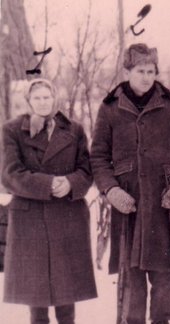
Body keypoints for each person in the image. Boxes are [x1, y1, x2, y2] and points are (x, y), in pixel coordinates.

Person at [90, 43, 170, 324]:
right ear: (128, 72)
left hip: (164, 204)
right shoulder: (110, 108)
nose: (146, 77)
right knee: (131, 278)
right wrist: (111, 190)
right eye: (140, 71)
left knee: (165, 275)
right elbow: (98, 156)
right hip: (129, 204)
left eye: (151, 71)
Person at [2, 78, 97, 324]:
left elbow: (87, 169)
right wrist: (48, 184)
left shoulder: (74, 130)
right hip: (30, 217)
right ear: (28, 101)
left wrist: (70, 183)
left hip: (67, 214)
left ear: (54, 98)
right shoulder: (12, 130)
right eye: (37, 98)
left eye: (47, 97)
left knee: (67, 291)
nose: (43, 102)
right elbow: (10, 173)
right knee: (37, 296)